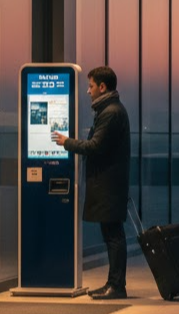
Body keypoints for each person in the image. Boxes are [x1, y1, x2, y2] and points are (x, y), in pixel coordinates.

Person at [51, 66, 131, 300]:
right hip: (110, 184)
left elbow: (95, 146)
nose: (88, 91)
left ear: (102, 87)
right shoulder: (110, 110)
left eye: (91, 86)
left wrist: (67, 142)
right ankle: (113, 283)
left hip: (109, 185)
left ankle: (116, 286)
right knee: (112, 234)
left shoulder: (110, 112)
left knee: (113, 235)